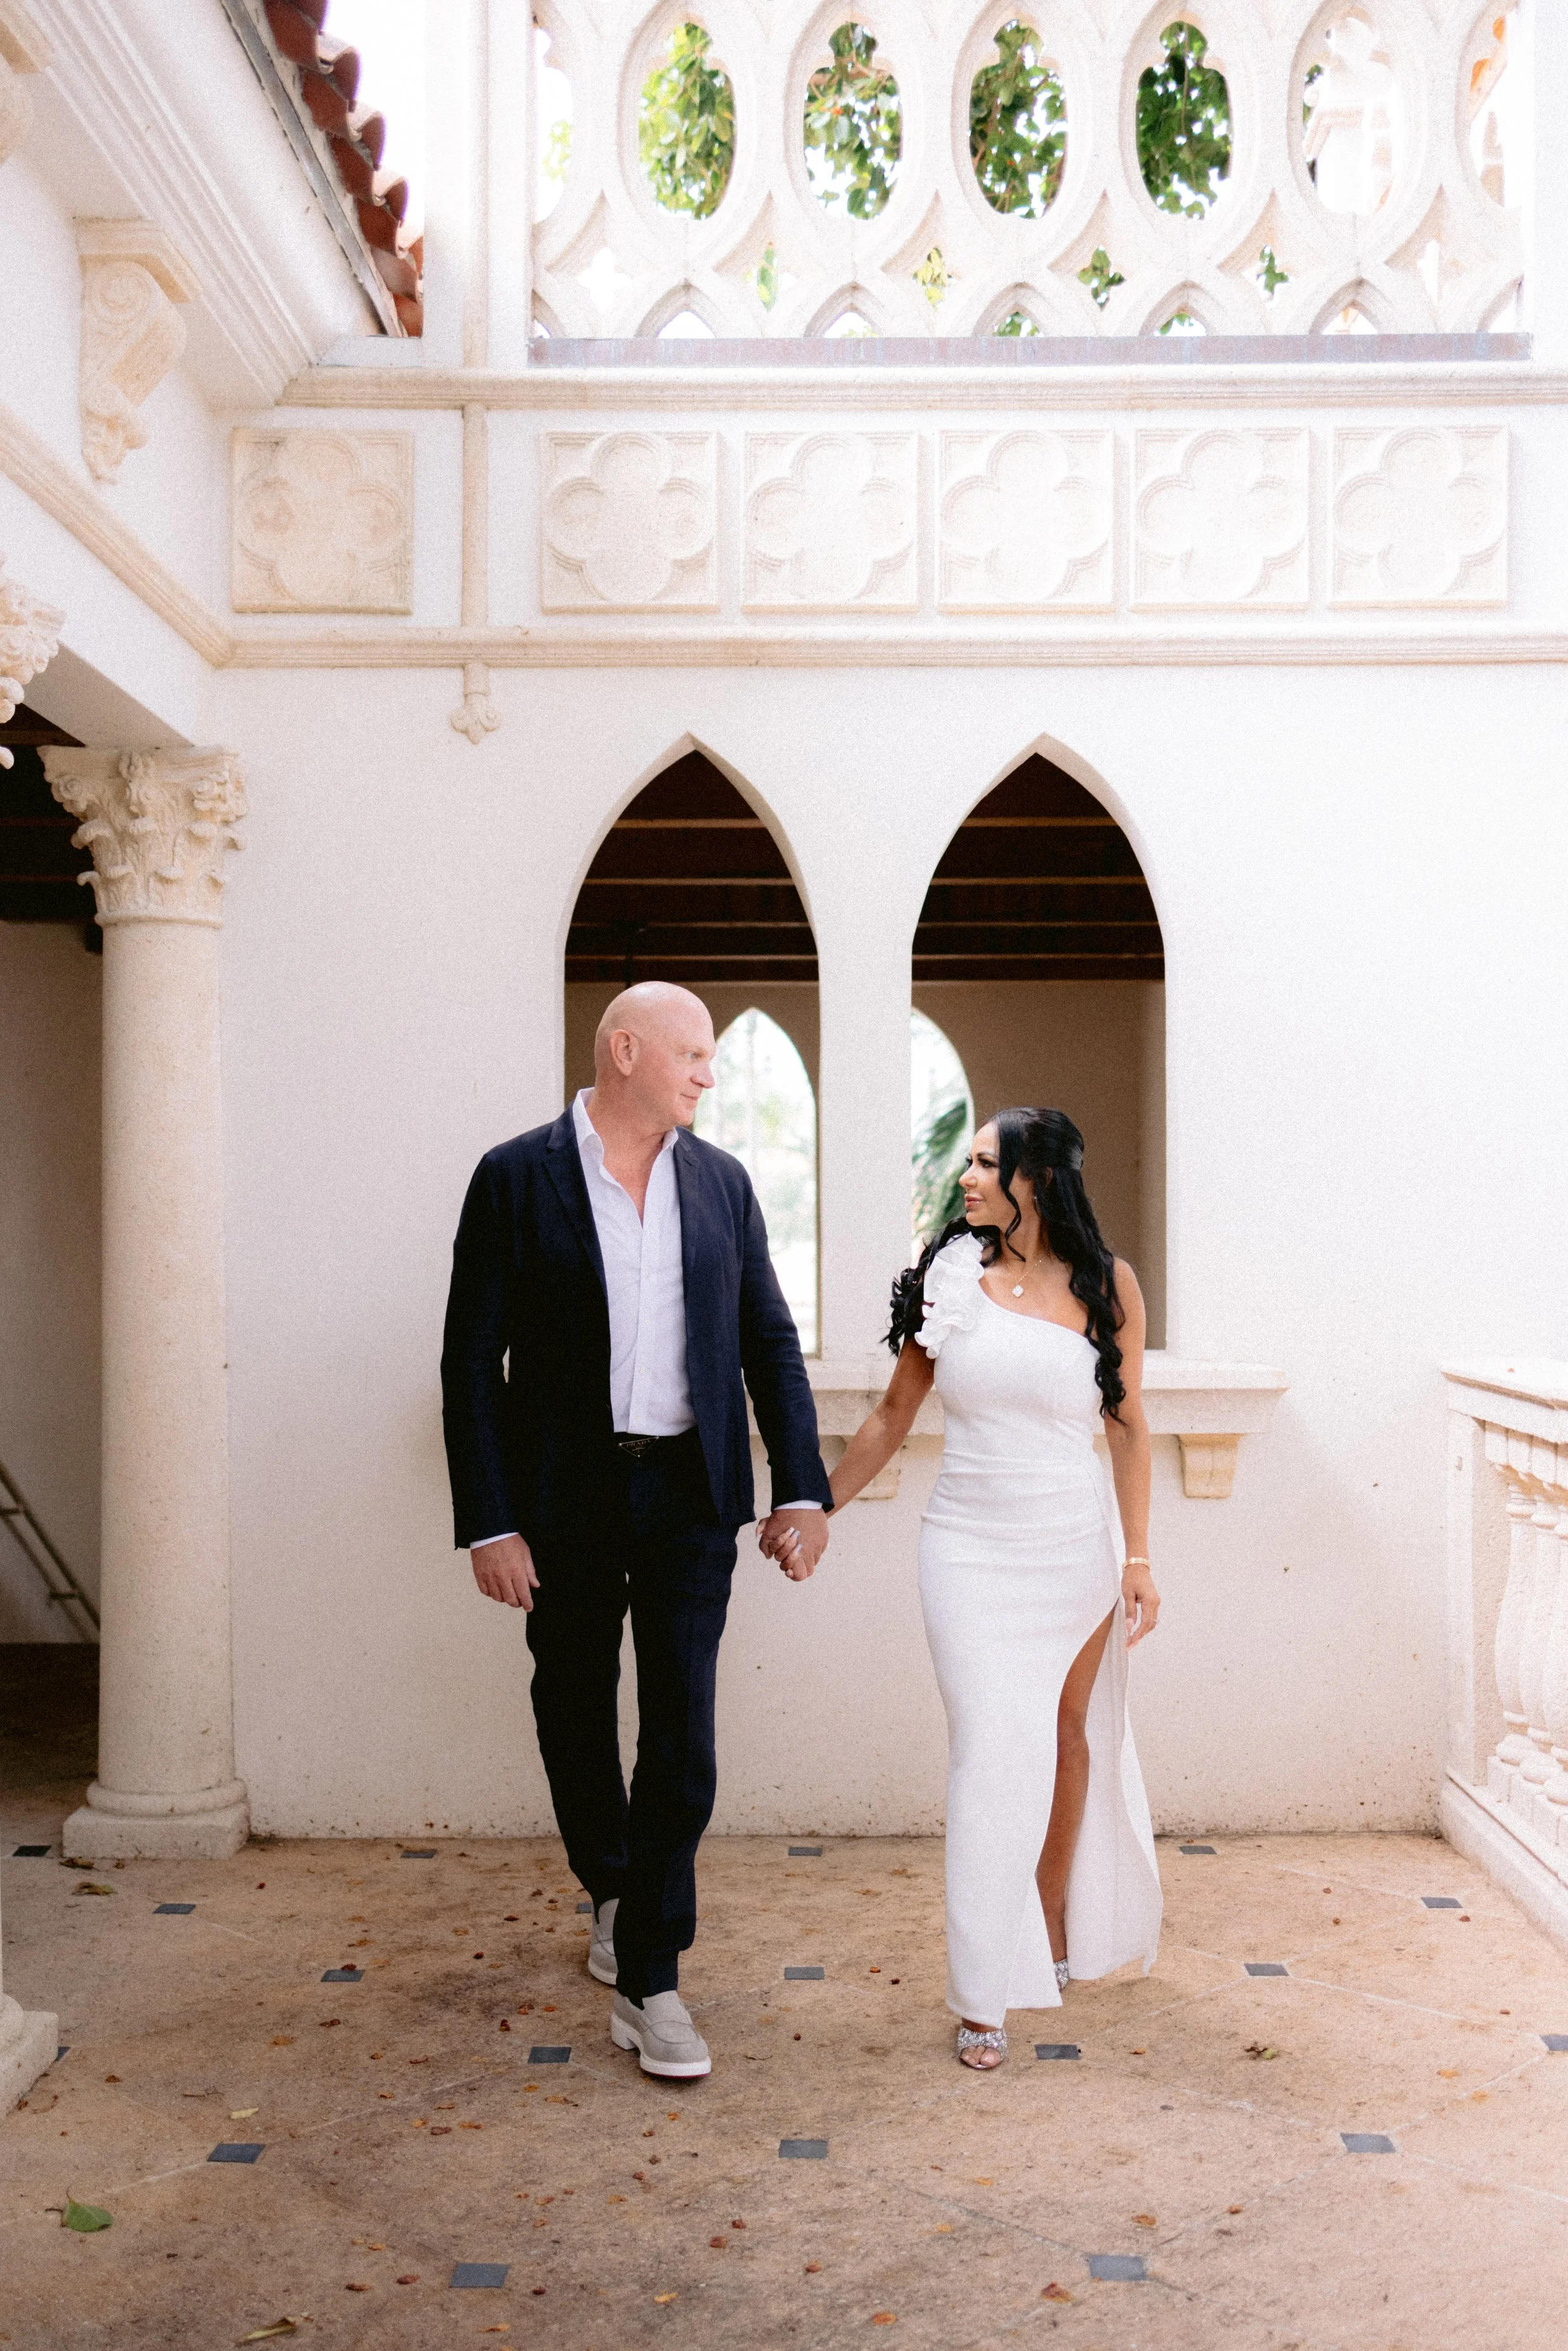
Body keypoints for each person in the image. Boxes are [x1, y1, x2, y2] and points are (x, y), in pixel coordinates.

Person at [440, 983, 832, 2081]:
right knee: (569, 1702)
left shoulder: (723, 1185)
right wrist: (490, 1523)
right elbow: (470, 1362)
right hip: (561, 1497)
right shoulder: (514, 1177)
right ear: (626, 1051)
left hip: (689, 1497)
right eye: (695, 1053)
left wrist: (801, 1490)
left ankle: (653, 1979)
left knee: (683, 1738)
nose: (712, 1072)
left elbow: (768, 1341)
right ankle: (611, 1885)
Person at [770, 1106, 1162, 2069]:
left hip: (1075, 1550)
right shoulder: (952, 1277)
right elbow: (892, 1415)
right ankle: (984, 1990)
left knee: (1066, 1739)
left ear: (1040, 1177)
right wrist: (816, 1506)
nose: (967, 1178)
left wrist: (1138, 1558)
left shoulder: (1110, 1286)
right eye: (971, 1160)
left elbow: (1130, 1427)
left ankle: (1052, 1924)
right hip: (970, 1552)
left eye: (988, 1162)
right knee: (992, 1751)